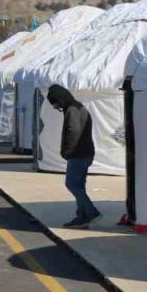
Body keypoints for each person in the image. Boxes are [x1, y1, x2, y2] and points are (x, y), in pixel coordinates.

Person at [48, 84, 99, 228]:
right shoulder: (77, 107)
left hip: (79, 153)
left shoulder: (72, 109)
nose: (55, 107)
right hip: (85, 152)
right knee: (79, 186)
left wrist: (67, 151)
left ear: (60, 99)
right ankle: (82, 217)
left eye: (55, 103)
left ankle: (90, 212)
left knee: (71, 184)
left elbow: (73, 131)